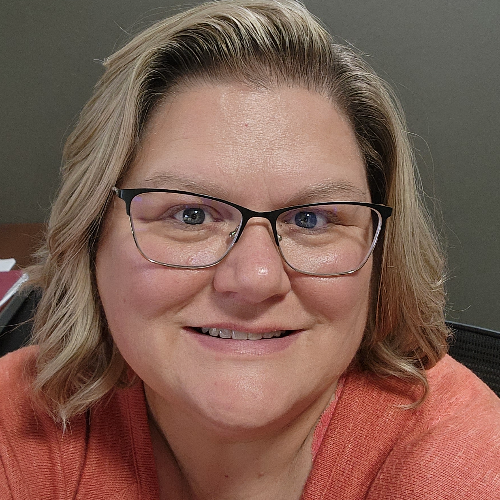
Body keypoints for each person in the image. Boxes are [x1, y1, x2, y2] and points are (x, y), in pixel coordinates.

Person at [1, 1, 499, 498]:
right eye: (190, 215)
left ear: (380, 254)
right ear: (90, 238)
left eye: (311, 219)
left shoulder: (465, 466)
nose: (256, 278)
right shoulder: (19, 423)